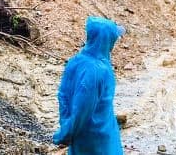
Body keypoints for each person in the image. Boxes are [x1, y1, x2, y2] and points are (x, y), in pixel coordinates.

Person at [53, 16, 125, 154]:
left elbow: (63, 96)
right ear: (107, 40)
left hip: (83, 137)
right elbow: (81, 110)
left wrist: (65, 124)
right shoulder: (98, 70)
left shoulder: (76, 61)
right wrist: (64, 134)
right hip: (97, 140)